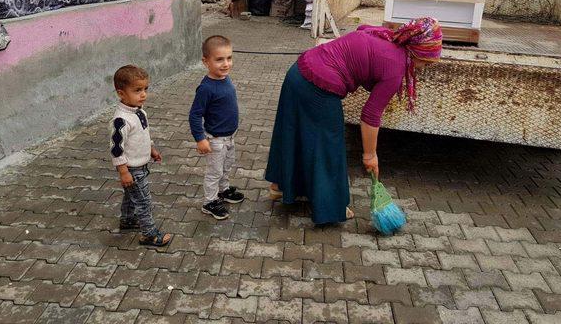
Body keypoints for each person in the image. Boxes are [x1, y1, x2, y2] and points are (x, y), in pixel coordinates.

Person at [265, 17, 443, 225]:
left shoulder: (385, 35)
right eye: (427, 61)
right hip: (318, 85)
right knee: (329, 145)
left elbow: (362, 29)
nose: (424, 67)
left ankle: (279, 187)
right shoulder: (395, 68)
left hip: (298, 71)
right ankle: (331, 208)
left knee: (293, 131)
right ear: (417, 51)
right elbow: (370, 115)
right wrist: (370, 155)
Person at [110, 65, 172, 246]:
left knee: (131, 196)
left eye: (145, 89)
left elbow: (144, 135)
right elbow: (116, 149)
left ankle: (127, 220)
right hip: (132, 168)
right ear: (121, 93)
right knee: (143, 201)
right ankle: (149, 234)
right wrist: (123, 171)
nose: (143, 94)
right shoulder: (121, 120)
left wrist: (151, 149)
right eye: (137, 90)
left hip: (141, 165)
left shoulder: (139, 111)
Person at [189, 35, 244, 220]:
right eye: (219, 59)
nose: (226, 64)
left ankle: (224, 190)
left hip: (230, 137)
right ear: (206, 61)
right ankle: (209, 202)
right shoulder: (206, 88)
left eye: (229, 58)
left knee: (226, 166)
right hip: (215, 139)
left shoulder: (225, 78)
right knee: (214, 172)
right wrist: (200, 138)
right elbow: (195, 115)